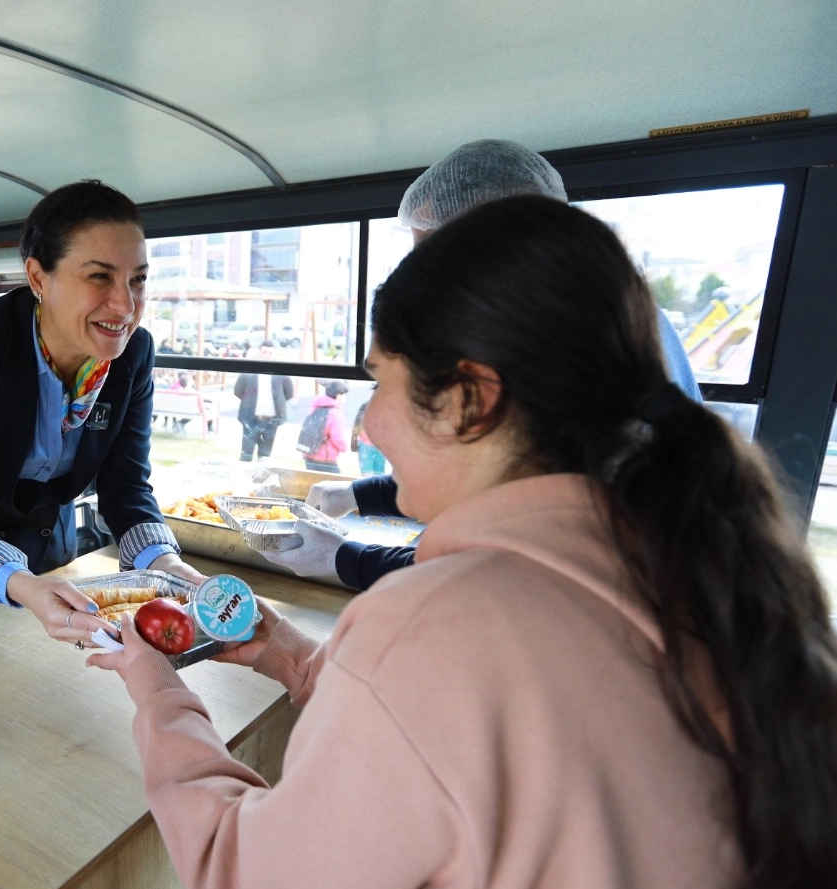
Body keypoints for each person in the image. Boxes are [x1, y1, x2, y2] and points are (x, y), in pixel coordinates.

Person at [89, 196, 837, 889]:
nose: (367, 425)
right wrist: (291, 657)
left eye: (379, 381)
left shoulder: (432, 624)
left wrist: (158, 695)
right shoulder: (693, 569)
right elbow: (468, 750)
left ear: (468, 397)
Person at [269, 139, 702, 589]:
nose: (425, 279)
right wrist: (361, 494)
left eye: (434, 257)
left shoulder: (547, 341)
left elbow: (506, 567)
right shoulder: (611, 312)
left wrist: (344, 558)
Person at [0, 180, 202, 640]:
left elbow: (126, 486)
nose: (125, 305)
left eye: (137, 279)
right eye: (99, 277)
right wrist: (21, 584)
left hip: (43, 544)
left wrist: (168, 565)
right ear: (38, 278)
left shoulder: (133, 355)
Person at [233, 343, 294, 462]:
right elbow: (238, 391)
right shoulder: (249, 371)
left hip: (271, 421)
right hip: (251, 419)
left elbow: (289, 393)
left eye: (270, 353)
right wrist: (249, 402)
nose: (267, 355)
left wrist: (278, 403)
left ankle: (261, 473)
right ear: (259, 353)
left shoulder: (281, 373)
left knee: (265, 456)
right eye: (265, 352)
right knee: (246, 454)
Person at [298, 380, 348, 473]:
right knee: (335, 481)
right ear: (338, 395)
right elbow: (337, 437)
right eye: (343, 395)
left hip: (309, 454)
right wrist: (344, 447)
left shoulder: (315, 408)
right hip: (325, 458)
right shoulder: (335, 413)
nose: (344, 398)